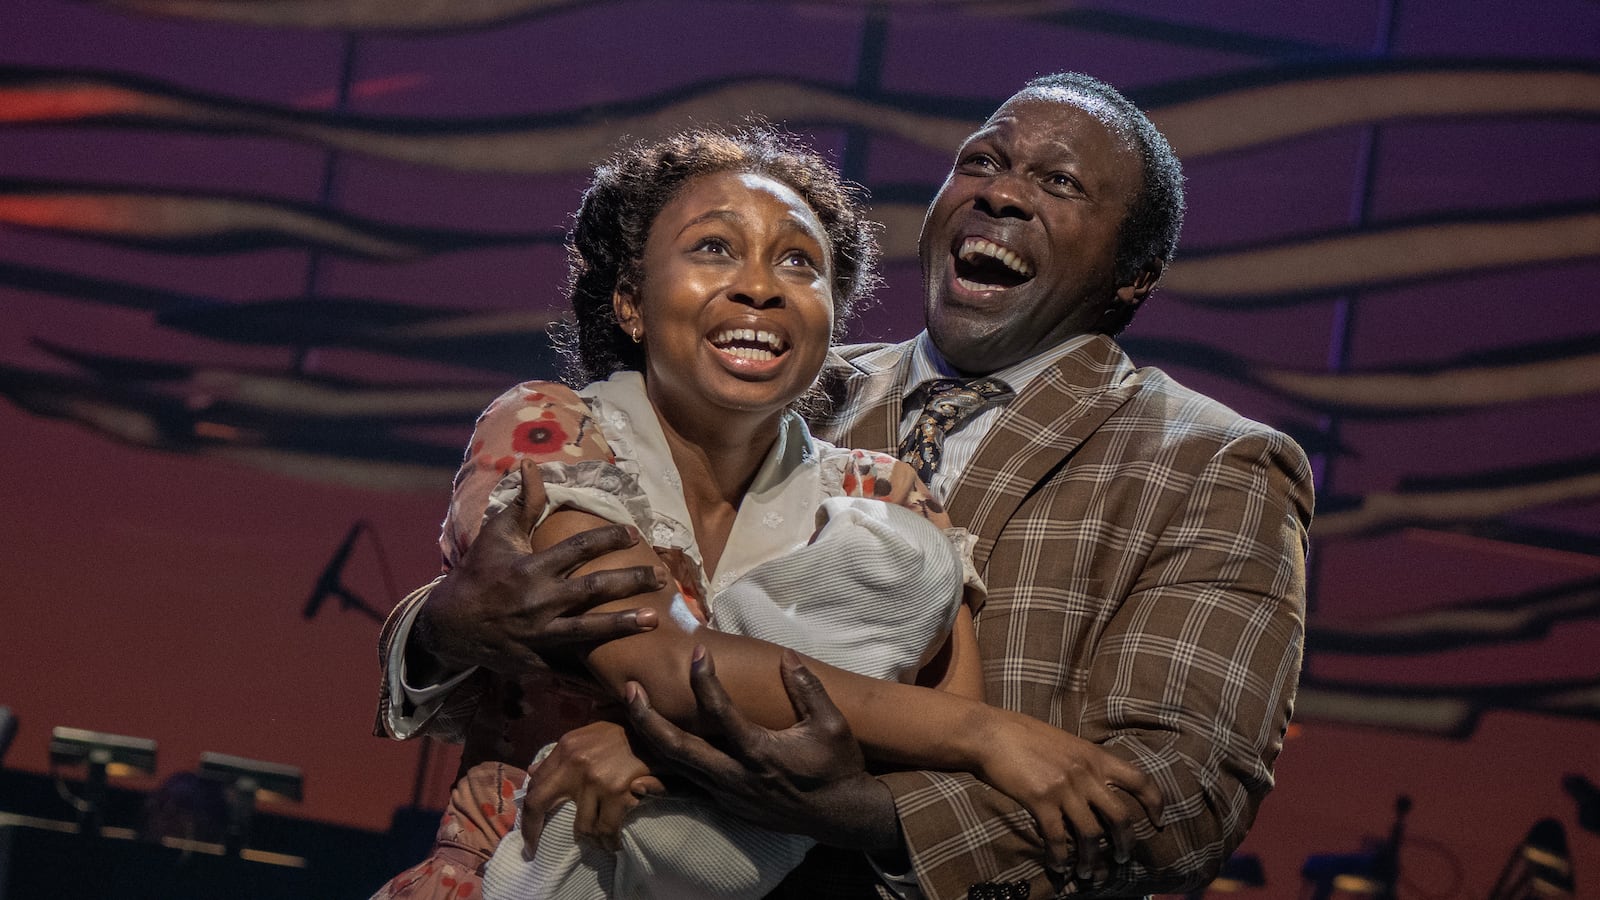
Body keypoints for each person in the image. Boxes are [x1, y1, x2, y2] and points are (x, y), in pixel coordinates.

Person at [521, 73, 1315, 899]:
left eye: (1058, 182)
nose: (1002, 194)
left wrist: (858, 810)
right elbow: (579, 564)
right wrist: (439, 630)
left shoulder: (1216, 464)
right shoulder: (776, 379)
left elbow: (1177, 799)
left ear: (1133, 275)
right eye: (982, 161)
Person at [372, 124, 1162, 900]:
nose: (761, 284)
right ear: (630, 303)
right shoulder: (549, 429)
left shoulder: (884, 494)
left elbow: (926, 760)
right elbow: (657, 662)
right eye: (714, 247)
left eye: (799, 262)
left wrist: (654, 756)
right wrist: (992, 738)